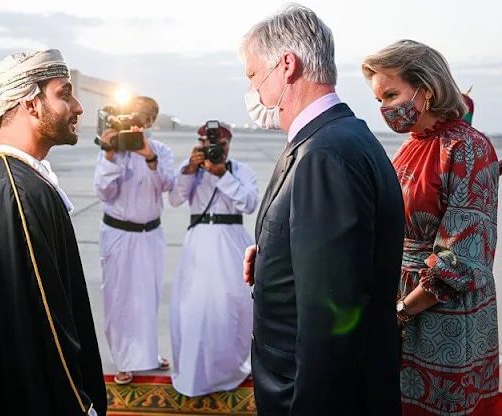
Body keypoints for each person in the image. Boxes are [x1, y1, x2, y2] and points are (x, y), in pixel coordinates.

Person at [240, 5, 405, 415]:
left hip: (305, 394)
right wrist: (272, 259)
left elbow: (333, 325)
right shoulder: (332, 138)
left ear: (287, 66)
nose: (254, 93)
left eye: (254, 76)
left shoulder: (326, 154)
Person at [0, 49, 107, 416]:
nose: (78, 107)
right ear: (31, 103)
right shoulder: (21, 192)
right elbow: (47, 327)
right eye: (64, 94)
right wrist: (80, 404)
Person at [362, 39, 500, 415]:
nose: (384, 108)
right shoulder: (409, 146)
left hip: (443, 314)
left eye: (391, 94)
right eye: (379, 99)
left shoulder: (468, 148)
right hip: (400, 305)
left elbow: (462, 258)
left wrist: (403, 310)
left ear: (425, 89)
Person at [168, 122, 258, 397]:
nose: (218, 149)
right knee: (195, 307)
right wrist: (188, 171)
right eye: (212, 145)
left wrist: (222, 175)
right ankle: (195, 374)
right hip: (199, 243)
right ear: (201, 144)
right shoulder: (190, 167)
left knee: (232, 306)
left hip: (231, 243)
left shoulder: (240, 170)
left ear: (229, 145)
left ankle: (227, 370)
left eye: (223, 145)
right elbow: (174, 199)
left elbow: (250, 203)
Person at [94, 95, 174, 385]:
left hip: (151, 234)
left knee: (147, 298)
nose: (137, 121)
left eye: (143, 117)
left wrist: (149, 157)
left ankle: (147, 355)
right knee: (117, 298)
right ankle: (124, 360)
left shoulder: (160, 150)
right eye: (132, 115)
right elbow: (103, 192)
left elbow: (167, 185)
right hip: (118, 234)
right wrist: (109, 155)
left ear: (151, 121)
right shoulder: (113, 151)